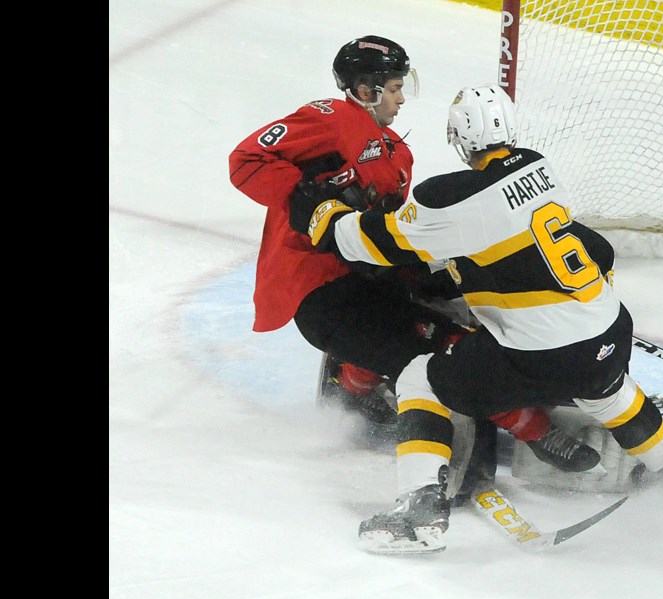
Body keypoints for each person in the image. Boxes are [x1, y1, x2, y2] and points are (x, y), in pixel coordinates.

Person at [304, 82, 663, 554]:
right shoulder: (540, 167)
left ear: (458, 138)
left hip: (540, 356)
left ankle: (419, 511)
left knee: (422, 378)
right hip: (609, 330)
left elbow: (374, 242)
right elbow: (566, 246)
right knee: (605, 388)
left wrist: (324, 215)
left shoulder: (449, 197)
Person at [228, 37, 600, 476]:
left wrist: (431, 272)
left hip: (368, 280)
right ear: (366, 89)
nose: (402, 98)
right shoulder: (328, 118)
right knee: (446, 352)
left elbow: (391, 237)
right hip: (321, 292)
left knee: (456, 316)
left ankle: (352, 387)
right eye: (395, 86)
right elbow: (245, 159)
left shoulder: (398, 154)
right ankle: (537, 432)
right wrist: (307, 200)